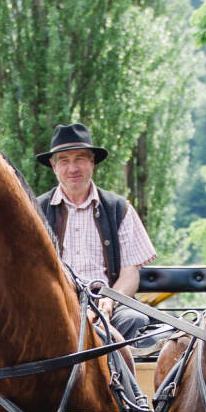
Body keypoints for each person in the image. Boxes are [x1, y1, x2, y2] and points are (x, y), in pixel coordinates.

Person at [33, 123, 158, 341]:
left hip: (109, 304)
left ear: (92, 163)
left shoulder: (119, 209)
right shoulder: (36, 212)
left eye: (80, 158)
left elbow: (130, 274)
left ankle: (115, 376)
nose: (73, 168)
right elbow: (30, 273)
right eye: (64, 160)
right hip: (55, 307)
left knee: (134, 319)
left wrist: (108, 302)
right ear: (54, 166)